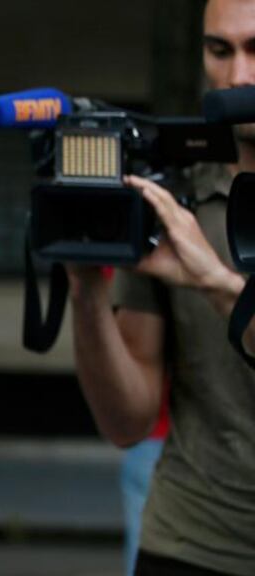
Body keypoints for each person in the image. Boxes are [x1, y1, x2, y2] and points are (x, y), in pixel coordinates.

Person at [69, 1, 255, 574]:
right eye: (219, 50)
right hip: (188, 544)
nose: (238, 77)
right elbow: (127, 422)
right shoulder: (174, 201)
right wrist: (86, 292)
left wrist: (217, 283)